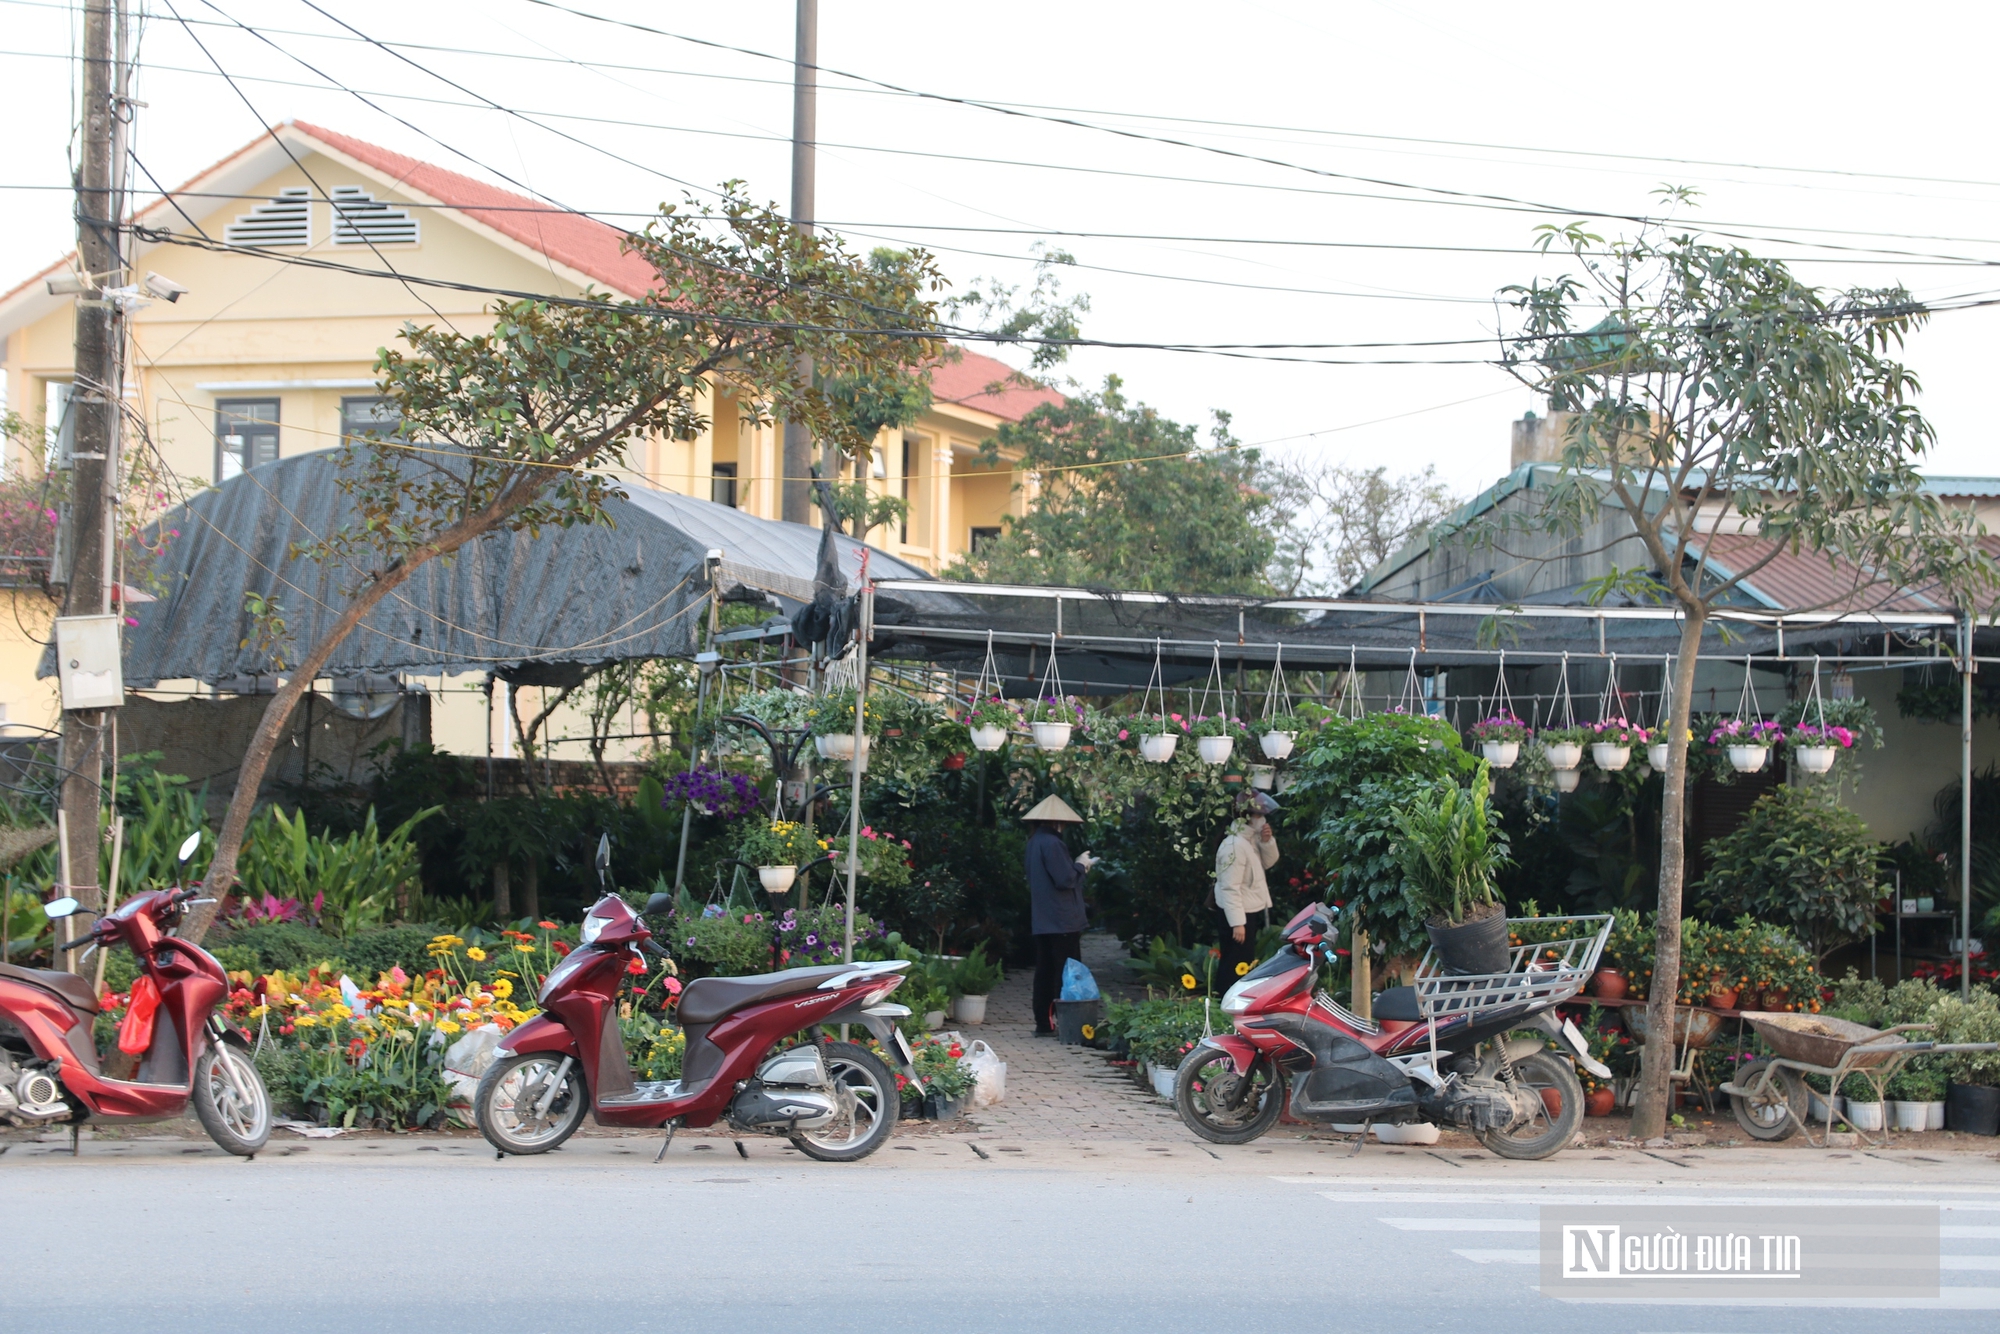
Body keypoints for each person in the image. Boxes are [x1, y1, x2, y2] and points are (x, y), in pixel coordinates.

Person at [1023, 794, 1096, 1036]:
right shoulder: (1053, 843)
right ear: (1057, 822)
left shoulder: (1034, 841)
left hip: (1043, 918)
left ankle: (1044, 1022)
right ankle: (1066, 1021)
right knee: (1066, 972)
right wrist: (1081, 865)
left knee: (1045, 971)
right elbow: (1065, 879)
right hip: (1062, 918)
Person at [1214, 791, 1280, 986]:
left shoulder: (1248, 840)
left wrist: (1267, 842)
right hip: (1238, 912)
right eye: (1258, 816)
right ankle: (1224, 1002)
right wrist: (1237, 923)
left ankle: (1232, 1004)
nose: (1262, 820)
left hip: (1247, 910)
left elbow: (1267, 864)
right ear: (1247, 817)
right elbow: (1229, 887)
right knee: (1234, 962)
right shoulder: (1234, 845)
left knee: (1241, 961)